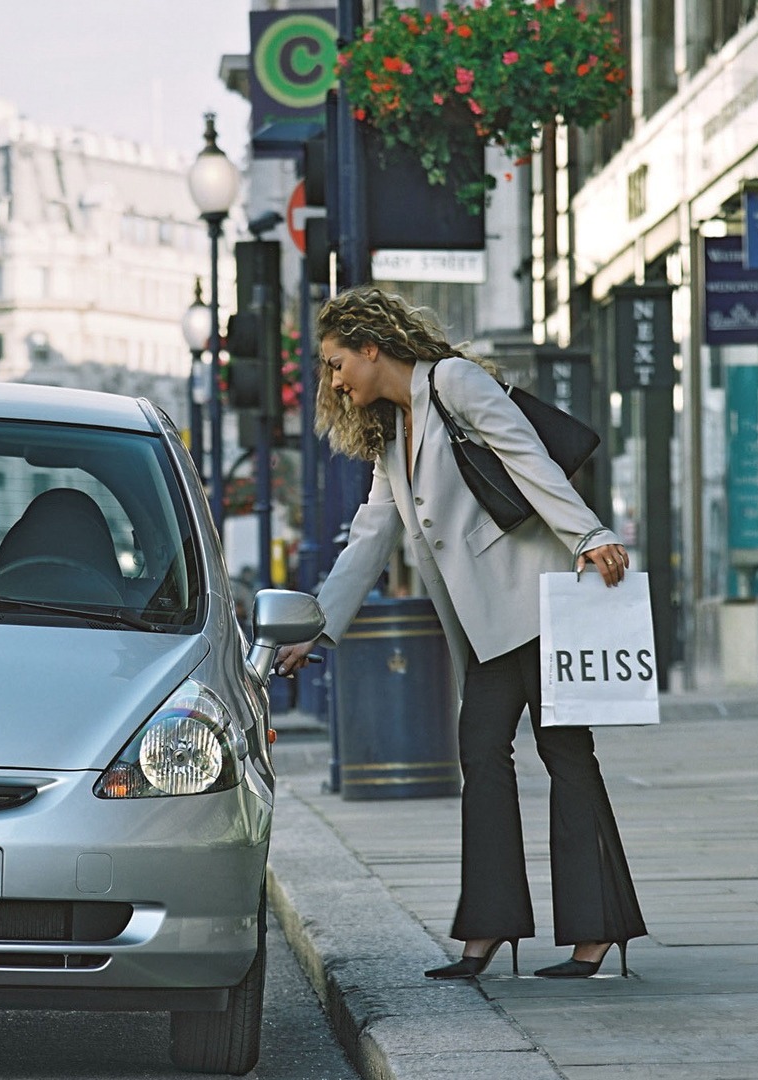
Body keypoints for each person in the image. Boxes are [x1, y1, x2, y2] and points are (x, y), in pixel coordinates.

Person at [275, 287, 646, 980]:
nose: (332, 380)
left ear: (371, 347)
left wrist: (590, 533)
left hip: (537, 606)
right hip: (483, 625)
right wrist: (317, 628)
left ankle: (595, 933)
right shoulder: (390, 435)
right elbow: (370, 535)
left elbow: (529, 458)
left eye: (334, 363)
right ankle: (489, 930)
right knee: (482, 754)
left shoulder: (454, 383)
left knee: (565, 754)